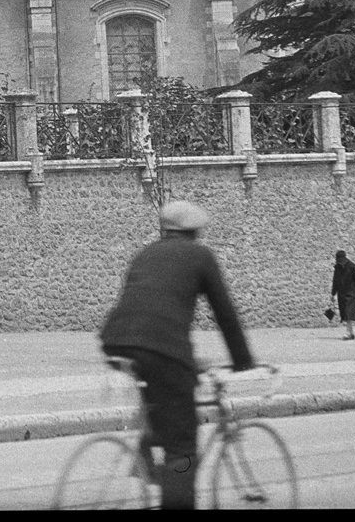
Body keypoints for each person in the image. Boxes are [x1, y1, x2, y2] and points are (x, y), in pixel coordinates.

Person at [100, 201, 257, 512]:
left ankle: (147, 453)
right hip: (163, 349)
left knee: (164, 397)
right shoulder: (200, 256)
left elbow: (144, 304)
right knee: (182, 448)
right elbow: (224, 312)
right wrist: (243, 360)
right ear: (196, 230)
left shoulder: (145, 253)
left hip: (117, 341)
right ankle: (175, 480)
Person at [328, 250, 355, 340]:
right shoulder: (337, 268)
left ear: (344, 259)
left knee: (348, 311)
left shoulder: (352, 267)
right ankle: (351, 333)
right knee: (345, 312)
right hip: (341, 293)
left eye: (341, 261)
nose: (340, 263)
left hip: (351, 292)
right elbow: (335, 281)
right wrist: (333, 294)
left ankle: (348, 333)